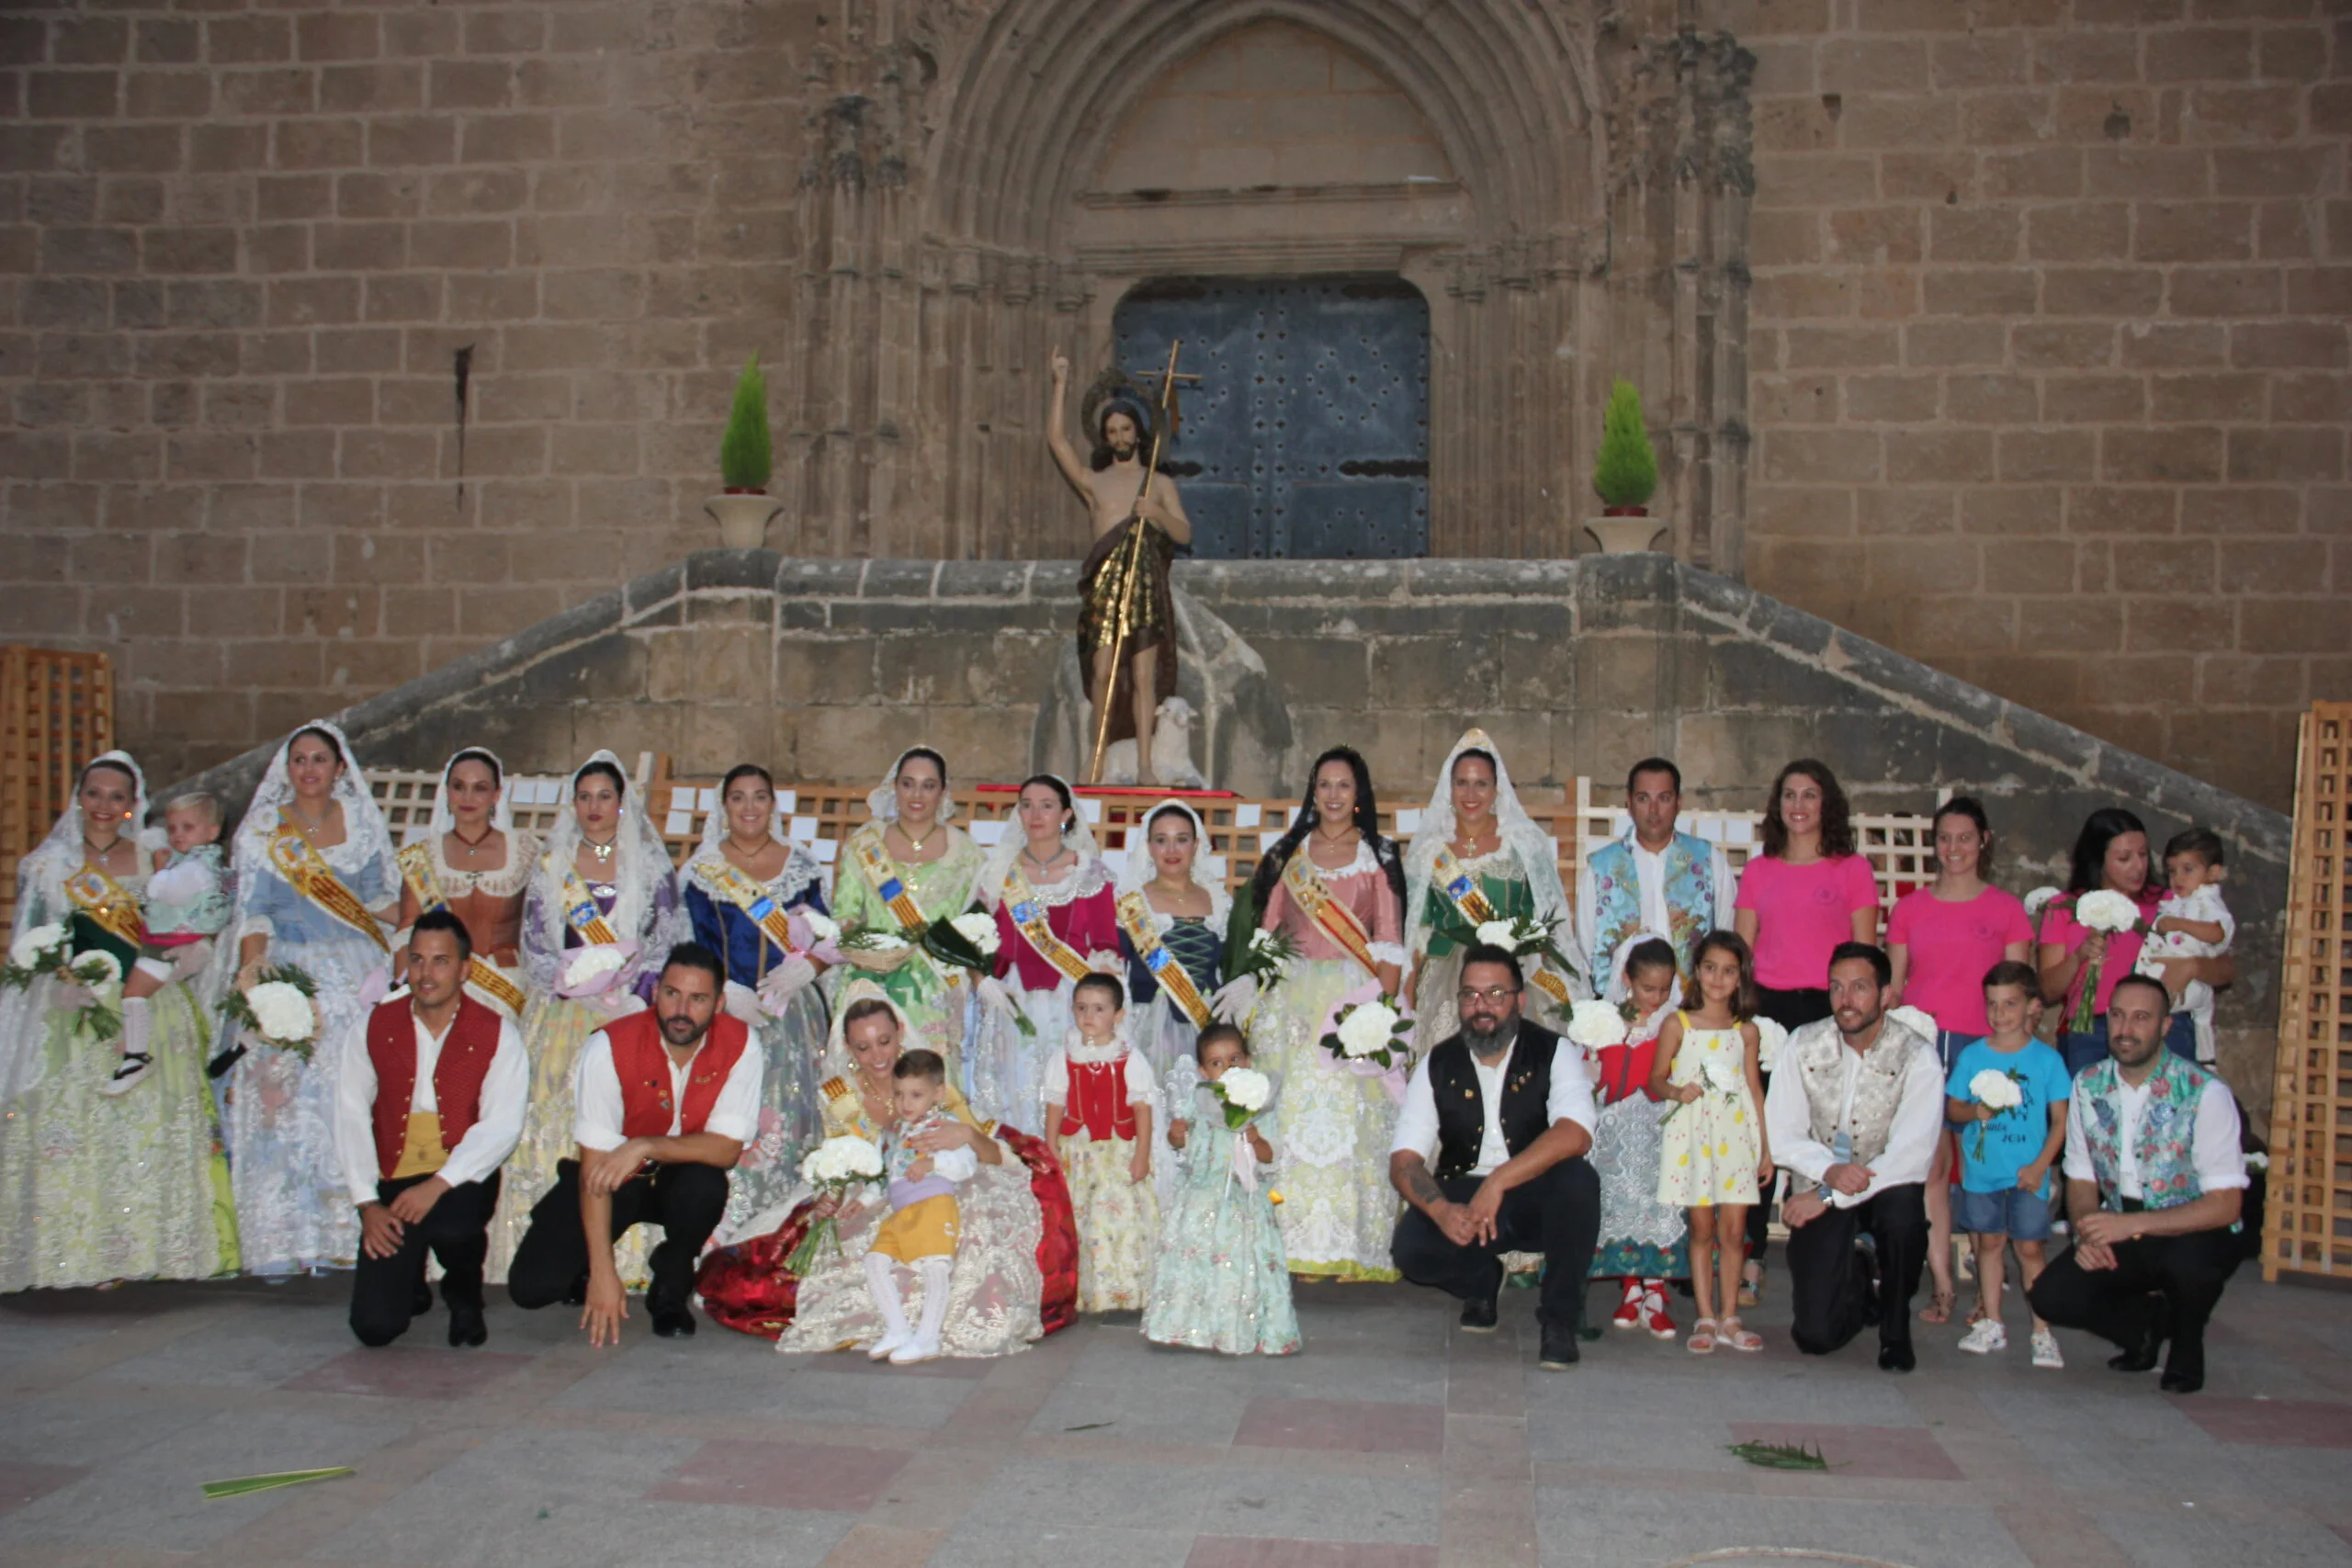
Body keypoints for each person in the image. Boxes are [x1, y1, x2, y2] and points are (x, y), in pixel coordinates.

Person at [0, 752, 234, 1292]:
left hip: (151, 1000)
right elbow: (29, 942)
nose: (105, 806)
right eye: (95, 794)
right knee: (80, 1128)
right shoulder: (48, 868)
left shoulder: (157, 859)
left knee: (149, 1125)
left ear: (133, 806)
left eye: (118, 797)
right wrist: (51, 982)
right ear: (79, 798)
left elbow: (190, 916)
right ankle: (78, 1253)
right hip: (78, 1008)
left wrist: (191, 956)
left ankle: (147, 1249)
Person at [763, 983, 1075, 1358]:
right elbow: (845, 1162)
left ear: (899, 1032)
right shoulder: (839, 1095)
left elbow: (986, 1154)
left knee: (971, 1232)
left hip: (944, 1185)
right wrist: (836, 1196)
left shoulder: (927, 1077)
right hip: (883, 1189)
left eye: (884, 1041)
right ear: (848, 1049)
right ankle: (897, 1328)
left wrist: (964, 1135)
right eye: (863, 1048)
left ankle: (931, 1330)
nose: (877, 1055)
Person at [488, 751, 685, 1283]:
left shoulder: (647, 864)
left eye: (605, 796)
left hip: (629, 1011)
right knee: (557, 1124)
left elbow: (666, 937)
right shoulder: (554, 864)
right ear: (572, 805)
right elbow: (534, 943)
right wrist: (573, 981)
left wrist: (631, 990)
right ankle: (558, 1253)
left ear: (622, 803)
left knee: (626, 1124)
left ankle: (623, 1257)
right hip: (565, 1014)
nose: (594, 806)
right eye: (584, 796)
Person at [216, 720, 401, 1275]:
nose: (309, 769)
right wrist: (256, 977)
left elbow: (377, 901)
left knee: (354, 1097)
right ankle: (285, 1234)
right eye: (299, 759)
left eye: (320, 759)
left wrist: (430, 911)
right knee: (284, 1103)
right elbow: (256, 910)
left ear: (340, 768)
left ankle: (350, 1230)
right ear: (286, 768)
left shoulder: (362, 827)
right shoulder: (266, 832)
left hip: (354, 970)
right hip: (290, 970)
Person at [507, 943, 760, 1342]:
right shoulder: (608, 1046)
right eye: (672, 993)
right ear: (656, 991)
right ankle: (585, 1273)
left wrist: (643, 1146)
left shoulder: (742, 1044)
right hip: (614, 1178)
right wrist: (604, 1273)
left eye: (698, 999)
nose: (681, 1010)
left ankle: (671, 1287)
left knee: (706, 1185)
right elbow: (594, 1170)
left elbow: (726, 1150)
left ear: (720, 1002)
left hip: (681, 1176)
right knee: (531, 1289)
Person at [2030, 974, 2248, 1393]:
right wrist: (2087, 1230)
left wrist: (2130, 1225)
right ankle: (2142, 1329)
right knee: (2052, 1296)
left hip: (2195, 1224)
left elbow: (2225, 1205)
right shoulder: (2088, 1083)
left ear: (2165, 1027)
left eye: (2141, 1018)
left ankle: (2187, 1343)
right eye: (2117, 1016)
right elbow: (2080, 1174)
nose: (2125, 1030)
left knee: (2189, 1266)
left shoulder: (2204, 1092)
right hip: (2122, 1220)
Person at [1388, 945, 1602, 1370]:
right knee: (1410, 1247)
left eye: (1495, 993)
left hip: (1531, 1195)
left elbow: (1576, 1134)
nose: (1481, 1006)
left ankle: (1559, 1319)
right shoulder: (1438, 1063)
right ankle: (1480, 1281)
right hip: (1465, 1192)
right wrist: (1441, 1211)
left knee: (1578, 1181)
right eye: (1470, 995)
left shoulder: (1554, 1052)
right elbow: (1405, 1161)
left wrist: (1499, 1181)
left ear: (1520, 1000)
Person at [1245, 747, 1410, 1280]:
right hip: (1290, 1003)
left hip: (1351, 1000)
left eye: (1344, 785)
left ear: (1359, 794)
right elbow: (1268, 933)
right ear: (1312, 793)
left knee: (1350, 1121)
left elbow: (1387, 937)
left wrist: (1383, 1012)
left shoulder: (1378, 855)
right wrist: (1255, 984)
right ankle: (1288, 1241)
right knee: (1288, 1114)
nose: (1333, 795)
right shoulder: (1289, 854)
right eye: (1324, 785)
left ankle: (1350, 1242)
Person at [337, 910, 526, 1348]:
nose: (426, 973)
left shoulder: (498, 1034)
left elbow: (501, 1126)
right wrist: (367, 1204)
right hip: (393, 1172)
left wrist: (439, 1184)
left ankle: (465, 1297)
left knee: (455, 1225)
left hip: (458, 1171)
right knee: (376, 1328)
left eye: (440, 961)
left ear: (465, 969)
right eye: (417, 960)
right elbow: (348, 1113)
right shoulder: (371, 1026)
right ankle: (411, 1283)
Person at [1732, 758, 1879, 1307]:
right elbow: (1742, 953)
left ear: (1827, 804)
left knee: (1828, 1129)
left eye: (1810, 795)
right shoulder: (1760, 870)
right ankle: (1750, 1254)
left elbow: (1864, 956)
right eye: (1789, 795)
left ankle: (1830, 1248)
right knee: (1761, 1131)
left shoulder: (1852, 870)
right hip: (1768, 1011)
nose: (1798, 805)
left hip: (1828, 1008)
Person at [1884, 796, 2033, 1327]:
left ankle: (1986, 1279)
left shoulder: (2006, 909)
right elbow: (1896, 989)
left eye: (1964, 838)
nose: (1953, 848)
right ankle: (1942, 1285)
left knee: (1981, 1166)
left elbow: (2019, 991)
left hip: (1985, 1048)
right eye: (1945, 838)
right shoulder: (1909, 909)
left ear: (1983, 841)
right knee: (1932, 1167)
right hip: (1926, 1045)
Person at [1767, 942, 1944, 1372]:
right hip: (1821, 1179)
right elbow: (1782, 1133)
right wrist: (1827, 1172)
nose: (1846, 1000)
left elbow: (1911, 1155)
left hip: (1883, 1187)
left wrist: (1829, 1194)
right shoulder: (1802, 1044)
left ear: (1885, 995)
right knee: (1814, 1337)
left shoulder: (1917, 1055)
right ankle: (1861, 1277)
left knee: (1904, 1215)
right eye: (1836, 988)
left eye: (1860, 988)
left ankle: (1896, 1328)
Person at [679, 762, 840, 1238]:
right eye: (738, 797)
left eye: (759, 797)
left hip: (792, 1014)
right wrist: (723, 989)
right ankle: (719, 1236)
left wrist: (806, 968)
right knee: (734, 1122)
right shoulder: (703, 871)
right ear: (723, 806)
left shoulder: (801, 864)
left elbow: (828, 938)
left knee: (790, 1125)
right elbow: (690, 943)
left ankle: (784, 1234)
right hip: (726, 1014)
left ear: (773, 804)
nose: (749, 807)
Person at [1049, 351, 1193, 784]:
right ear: (1104, 437)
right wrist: (1059, 384)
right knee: (1101, 672)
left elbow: (1184, 533)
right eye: (1111, 431)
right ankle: (1095, 761)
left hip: (1144, 580)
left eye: (1126, 429)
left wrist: (1156, 514)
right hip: (1105, 584)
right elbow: (1057, 442)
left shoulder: (1158, 482)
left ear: (1139, 432)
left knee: (1145, 675)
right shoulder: (1096, 483)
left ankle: (1146, 766)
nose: (1119, 436)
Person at [1404, 729, 1586, 1053]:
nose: (1470, 793)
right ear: (1449, 788)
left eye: (1481, 783)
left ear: (1496, 789)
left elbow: (1547, 918)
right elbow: (1415, 932)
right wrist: (1405, 998)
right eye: (1461, 783)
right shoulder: (1428, 851)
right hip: (1445, 977)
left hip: (1514, 971)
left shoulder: (1524, 845)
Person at [973, 773, 1120, 1134]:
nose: (1035, 814)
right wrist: (981, 981)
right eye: (1026, 805)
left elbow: (1107, 946)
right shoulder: (999, 873)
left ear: (1066, 815)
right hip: (1012, 1002)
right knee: (1015, 1093)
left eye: (1047, 806)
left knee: (1067, 1097)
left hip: (1071, 1005)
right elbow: (972, 941)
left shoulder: (1089, 873)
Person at [1647, 931, 1771, 1355]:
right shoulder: (1677, 1024)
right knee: (1702, 1228)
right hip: (1694, 1139)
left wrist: (1765, 1149)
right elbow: (1656, 1078)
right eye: (1710, 968)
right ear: (1697, 972)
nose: (1718, 979)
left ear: (1741, 978)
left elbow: (1754, 1090)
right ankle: (1704, 1313)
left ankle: (1730, 1316)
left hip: (1735, 1137)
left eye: (1729, 971)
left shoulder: (1746, 1031)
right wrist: (1676, 1091)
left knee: (1734, 1231)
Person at [832, 746, 988, 1083]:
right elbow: (844, 915)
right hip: (874, 984)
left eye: (928, 785)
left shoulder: (967, 854)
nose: (917, 795)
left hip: (938, 987)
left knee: (931, 1089)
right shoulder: (864, 844)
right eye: (908, 784)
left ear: (943, 792)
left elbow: (977, 929)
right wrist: (865, 949)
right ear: (895, 788)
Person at [2037, 809, 2231, 1077]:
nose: (2138, 866)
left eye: (2143, 854)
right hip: (2089, 1032)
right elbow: (2047, 991)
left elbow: (2226, 968)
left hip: (2161, 1031)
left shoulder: (2171, 903)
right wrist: (2079, 956)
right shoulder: (2064, 907)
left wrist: (2192, 967)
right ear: (2098, 859)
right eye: (2124, 858)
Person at [1145, 1022, 1300, 1356]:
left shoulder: (1261, 1103)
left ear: (1247, 1061)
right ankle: (1190, 1325)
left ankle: (1245, 1325)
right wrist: (1176, 1132)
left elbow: (1270, 1155)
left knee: (1243, 1259)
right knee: (1197, 1256)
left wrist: (1255, 1137)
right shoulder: (1198, 1100)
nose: (1227, 1068)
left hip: (1245, 1195)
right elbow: (1180, 1144)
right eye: (1217, 1063)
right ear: (1204, 1071)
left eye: (1234, 1059)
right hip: (1202, 1189)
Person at [1944, 961, 2070, 1368]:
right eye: (1992, 1005)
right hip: (1982, 1173)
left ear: (2033, 1006)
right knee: (1989, 1243)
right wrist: (1975, 1111)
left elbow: (2060, 1122)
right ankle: (1992, 1323)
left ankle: (2042, 1330)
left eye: (2010, 1004)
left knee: (2030, 1247)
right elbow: (1954, 1108)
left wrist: (2041, 1167)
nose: (1999, 1014)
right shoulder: (1972, 1056)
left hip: (2027, 1173)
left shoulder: (2046, 1061)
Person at [1114, 797, 1227, 1206]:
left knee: (1205, 1118)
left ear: (1197, 845)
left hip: (1205, 1025)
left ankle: (1203, 1206)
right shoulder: (1131, 902)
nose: (1172, 850)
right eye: (1161, 840)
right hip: (1152, 1024)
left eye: (1181, 840)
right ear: (1148, 847)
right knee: (1158, 1114)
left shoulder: (1218, 900)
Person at [1588, 936, 1689, 1338]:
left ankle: (1656, 1291)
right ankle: (1630, 1286)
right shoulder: (1606, 1020)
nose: (1657, 996)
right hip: (1614, 1129)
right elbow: (1595, 1072)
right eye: (1649, 988)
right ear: (1628, 979)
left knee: (1658, 1203)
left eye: (1665, 989)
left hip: (1657, 1129)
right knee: (1619, 1202)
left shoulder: (1675, 1023)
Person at [390, 749, 537, 1022]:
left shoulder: (526, 851)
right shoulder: (421, 857)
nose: (468, 798)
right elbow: (407, 929)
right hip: (440, 984)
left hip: (506, 984)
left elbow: (542, 925)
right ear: (447, 792)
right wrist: (403, 991)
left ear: (496, 795)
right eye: (459, 787)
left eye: (479, 788)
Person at [1043, 972, 1158, 1313]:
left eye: (1098, 1009)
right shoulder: (1064, 1055)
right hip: (1078, 1152)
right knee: (1083, 1220)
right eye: (1081, 1008)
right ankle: (1086, 1291)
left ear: (1118, 1016)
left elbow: (1142, 1110)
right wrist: (1051, 1147)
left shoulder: (1129, 1057)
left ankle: (1124, 1289)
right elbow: (1055, 1104)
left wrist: (1142, 1155)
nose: (1088, 1017)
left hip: (1118, 1151)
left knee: (1119, 1221)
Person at [103, 789, 231, 1095]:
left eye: (188, 828)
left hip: (171, 944)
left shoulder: (195, 868)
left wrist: (159, 870)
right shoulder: (196, 861)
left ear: (212, 832)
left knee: (133, 993)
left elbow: (165, 892)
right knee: (139, 995)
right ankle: (135, 1053)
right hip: (176, 940)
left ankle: (136, 1056)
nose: (177, 835)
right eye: (173, 828)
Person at [861, 1047, 982, 1365]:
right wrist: (861, 1200)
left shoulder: (946, 1126)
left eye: (916, 1095)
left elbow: (967, 1163)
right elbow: (881, 1175)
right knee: (874, 1260)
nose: (906, 1103)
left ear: (938, 1093)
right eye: (899, 1094)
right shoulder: (891, 1133)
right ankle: (898, 1329)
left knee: (934, 1267)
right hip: (901, 1211)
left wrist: (933, 1162)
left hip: (933, 1203)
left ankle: (927, 1338)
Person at [1577, 758, 1736, 983]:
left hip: (1693, 1004)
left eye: (1664, 798)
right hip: (1622, 1006)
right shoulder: (1600, 868)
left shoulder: (1710, 860)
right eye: (1643, 798)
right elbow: (1587, 948)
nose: (1653, 810)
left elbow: (1726, 935)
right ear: (1629, 803)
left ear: (1678, 802)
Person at [2132, 829, 2233, 1066]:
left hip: (2190, 983)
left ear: (2213, 872)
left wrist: (2178, 924)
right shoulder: (2179, 902)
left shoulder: (2207, 902)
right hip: (2181, 980)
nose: (2178, 878)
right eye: (2172, 871)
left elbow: (2217, 932)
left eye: (2188, 870)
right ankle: (2207, 1060)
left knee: (2154, 1004)